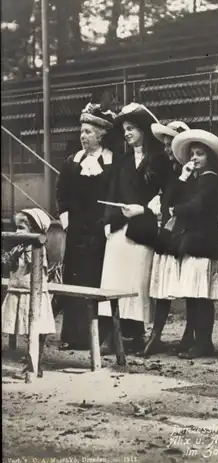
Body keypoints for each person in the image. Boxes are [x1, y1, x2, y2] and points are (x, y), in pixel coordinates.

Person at [98, 103, 171, 353]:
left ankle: (135, 335)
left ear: (143, 131)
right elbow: (112, 191)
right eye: (125, 129)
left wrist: (145, 210)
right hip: (120, 226)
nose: (127, 133)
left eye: (131, 129)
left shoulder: (160, 160)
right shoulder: (123, 161)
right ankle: (113, 335)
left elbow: (166, 194)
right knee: (114, 280)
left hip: (142, 228)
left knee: (137, 282)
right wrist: (109, 219)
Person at [55, 102, 120, 350]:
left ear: (101, 135)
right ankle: (72, 336)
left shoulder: (113, 162)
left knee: (96, 279)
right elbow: (62, 192)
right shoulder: (73, 161)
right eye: (82, 132)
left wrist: (108, 221)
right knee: (74, 279)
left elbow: (115, 194)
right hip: (76, 230)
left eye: (89, 132)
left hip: (100, 230)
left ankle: (98, 336)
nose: (83, 137)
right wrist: (65, 217)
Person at [167, 129, 218, 359]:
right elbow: (172, 197)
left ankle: (203, 341)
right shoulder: (196, 179)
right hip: (192, 239)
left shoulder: (210, 179)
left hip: (204, 240)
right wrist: (182, 178)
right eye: (192, 153)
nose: (194, 158)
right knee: (193, 294)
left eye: (200, 154)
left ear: (209, 157)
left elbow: (198, 205)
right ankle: (193, 338)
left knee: (201, 295)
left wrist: (176, 210)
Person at [143, 120, 196, 356]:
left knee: (189, 286)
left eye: (170, 144)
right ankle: (156, 334)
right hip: (168, 229)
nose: (166, 150)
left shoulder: (194, 170)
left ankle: (190, 333)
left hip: (187, 231)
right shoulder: (168, 170)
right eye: (164, 145)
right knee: (163, 284)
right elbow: (167, 199)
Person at [2, 208, 55, 382]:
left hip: (33, 294)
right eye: (17, 228)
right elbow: (10, 266)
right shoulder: (18, 246)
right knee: (23, 329)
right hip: (18, 289)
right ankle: (29, 362)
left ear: (34, 230)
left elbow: (38, 269)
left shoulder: (36, 247)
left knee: (36, 329)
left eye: (22, 228)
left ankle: (35, 364)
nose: (18, 232)